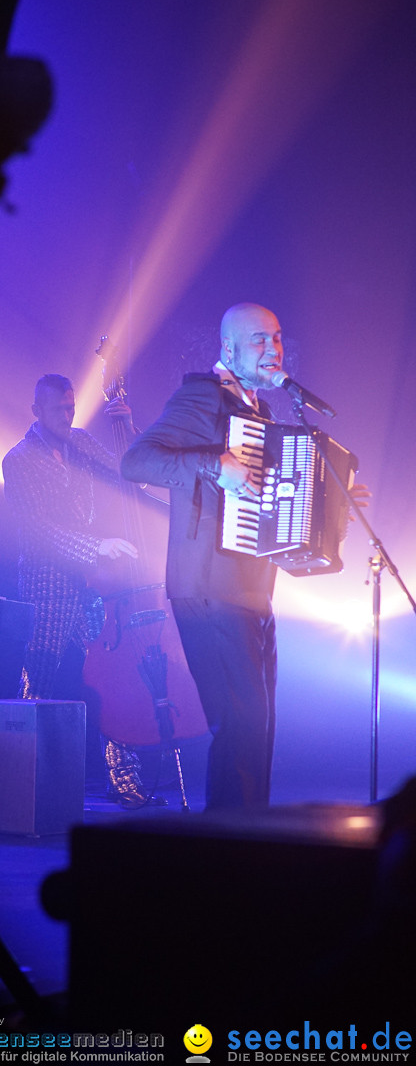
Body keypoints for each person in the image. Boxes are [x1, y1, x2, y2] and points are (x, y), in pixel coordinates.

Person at [121, 301, 364, 810]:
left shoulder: (262, 411)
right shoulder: (200, 396)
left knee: (259, 726)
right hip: (208, 585)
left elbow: (276, 501)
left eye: (276, 338)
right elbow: (136, 461)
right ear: (227, 347)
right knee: (239, 723)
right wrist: (214, 465)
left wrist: (333, 504)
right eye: (258, 340)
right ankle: (228, 854)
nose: (272, 349)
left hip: (253, 590)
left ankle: (248, 842)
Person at [3, 374, 159, 806]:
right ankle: (18, 783)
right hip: (47, 586)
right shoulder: (18, 460)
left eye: (71, 408)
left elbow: (130, 473)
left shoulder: (82, 441)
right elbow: (40, 530)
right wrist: (96, 545)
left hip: (92, 585)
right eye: (58, 409)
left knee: (113, 680)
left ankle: (123, 780)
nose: (67, 416)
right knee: (39, 682)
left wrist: (128, 426)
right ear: (36, 410)